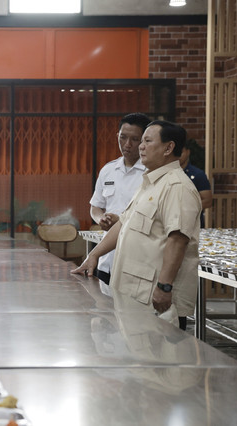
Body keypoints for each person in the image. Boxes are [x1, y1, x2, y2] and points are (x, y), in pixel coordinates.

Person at [72, 121, 202, 331]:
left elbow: (177, 240)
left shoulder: (177, 186)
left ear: (169, 148)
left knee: (161, 359)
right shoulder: (150, 183)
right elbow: (124, 223)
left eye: (147, 141)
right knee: (138, 358)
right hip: (135, 293)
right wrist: (94, 255)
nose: (141, 146)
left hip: (155, 295)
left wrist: (164, 286)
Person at [89, 113, 150, 296]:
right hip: (107, 258)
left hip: (138, 262)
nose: (127, 144)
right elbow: (95, 206)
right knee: (106, 317)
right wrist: (102, 218)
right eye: (122, 137)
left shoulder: (152, 173)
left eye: (134, 139)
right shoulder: (109, 170)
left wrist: (121, 220)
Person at [179, 140, 212, 227]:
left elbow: (208, 201)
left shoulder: (198, 174)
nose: (178, 156)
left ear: (187, 152)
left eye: (180, 152)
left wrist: (186, 208)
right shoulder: (167, 173)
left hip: (193, 223)